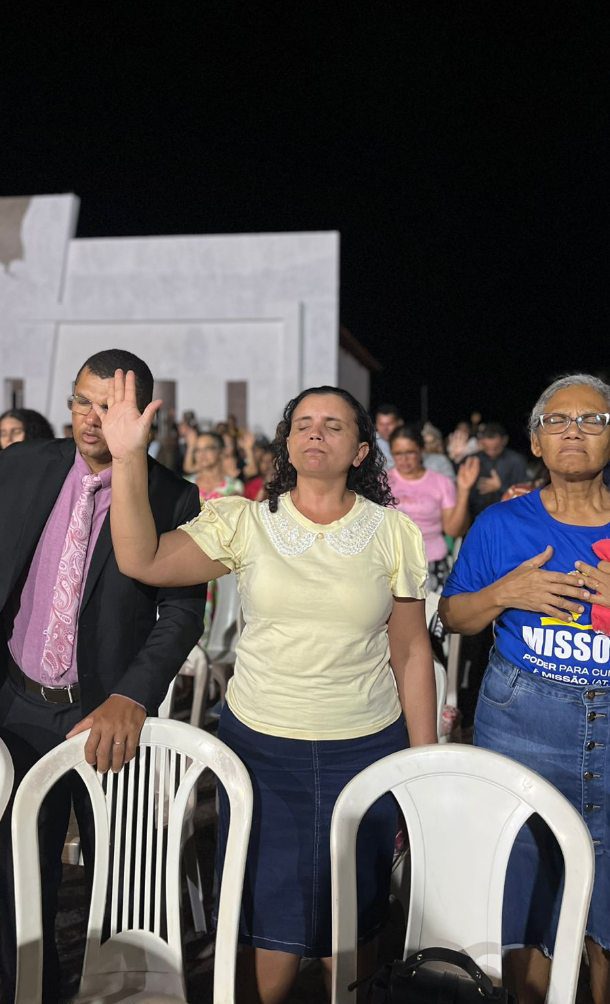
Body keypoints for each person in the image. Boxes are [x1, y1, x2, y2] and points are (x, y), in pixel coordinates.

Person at [101, 373, 437, 1004]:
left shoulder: (395, 533)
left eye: (334, 425)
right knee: (273, 912)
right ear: (285, 444)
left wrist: (422, 765)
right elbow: (140, 559)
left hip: (365, 747)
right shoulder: (245, 523)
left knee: (356, 910)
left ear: (361, 451)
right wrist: (126, 459)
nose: (317, 433)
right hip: (263, 748)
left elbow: (412, 650)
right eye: (303, 424)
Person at [0, 349, 205, 1003]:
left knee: (121, 880)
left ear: (143, 414)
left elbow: (181, 616)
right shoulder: (22, 467)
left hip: (108, 715)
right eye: (82, 401)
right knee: (15, 884)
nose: (93, 419)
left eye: (110, 406)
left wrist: (131, 696)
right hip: (18, 705)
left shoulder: (173, 494)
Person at [439, 373, 610, 1004]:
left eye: (593, 421)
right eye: (558, 421)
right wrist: (505, 592)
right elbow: (454, 616)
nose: (575, 431)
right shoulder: (501, 524)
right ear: (535, 443)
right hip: (523, 727)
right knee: (525, 886)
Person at [387, 425, 479, 592]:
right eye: (398, 454)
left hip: (431, 564)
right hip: (390, 564)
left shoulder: (440, 482)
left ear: (422, 450)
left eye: (410, 452)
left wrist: (463, 491)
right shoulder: (382, 482)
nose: (404, 459)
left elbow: (452, 530)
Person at [466, 421, 529, 518]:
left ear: (504, 440)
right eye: (487, 448)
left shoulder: (516, 461)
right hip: (476, 516)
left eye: (495, 448)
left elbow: (524, 494)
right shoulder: (473, 459)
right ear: (481, 442)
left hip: (508, 515)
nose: (491, 452)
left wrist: (500, 487)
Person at [184, 430, 244, 501]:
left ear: (220, 451)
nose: (202, 454)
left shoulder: (234, 486)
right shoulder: (185, 484)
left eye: (207, 448)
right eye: (197, 450)